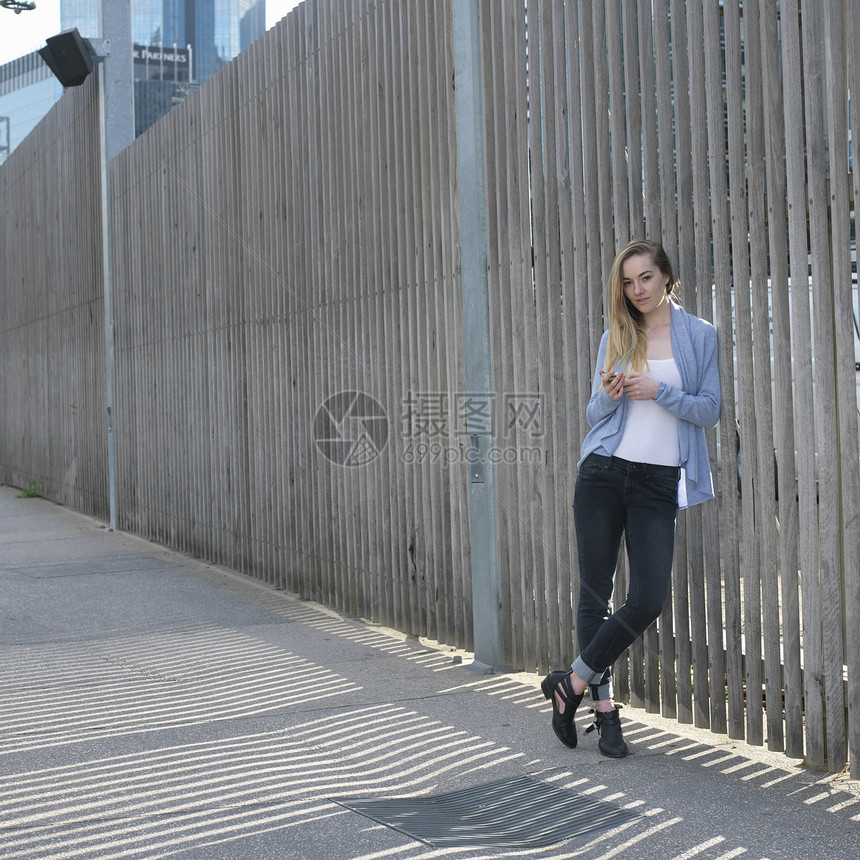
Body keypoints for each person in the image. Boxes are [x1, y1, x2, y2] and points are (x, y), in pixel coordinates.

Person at [542, 239, 720, 757]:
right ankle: (603, 709)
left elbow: (709, 410)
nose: (636, 289)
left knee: (646, 598)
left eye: (645, 277)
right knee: (595, 594)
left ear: (666, 276)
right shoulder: (616, 334)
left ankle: (569, 684)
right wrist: (612, 394)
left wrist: (658, 391)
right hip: (603, 471)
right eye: (627, 281)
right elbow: (595, 415)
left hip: (657, 482)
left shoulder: (700, 336)